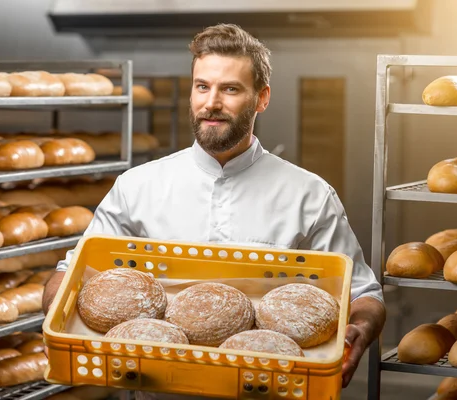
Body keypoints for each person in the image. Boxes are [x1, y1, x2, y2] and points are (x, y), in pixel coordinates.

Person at [43, 23, 385, 394]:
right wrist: (56, 315)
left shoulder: (309, 195)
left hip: (267, 389)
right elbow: (72, 272)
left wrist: (359, 330)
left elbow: (364, 294)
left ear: (262, 98)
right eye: (202, 86)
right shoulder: (139, 186)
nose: (212, 103)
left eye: (231, 89)